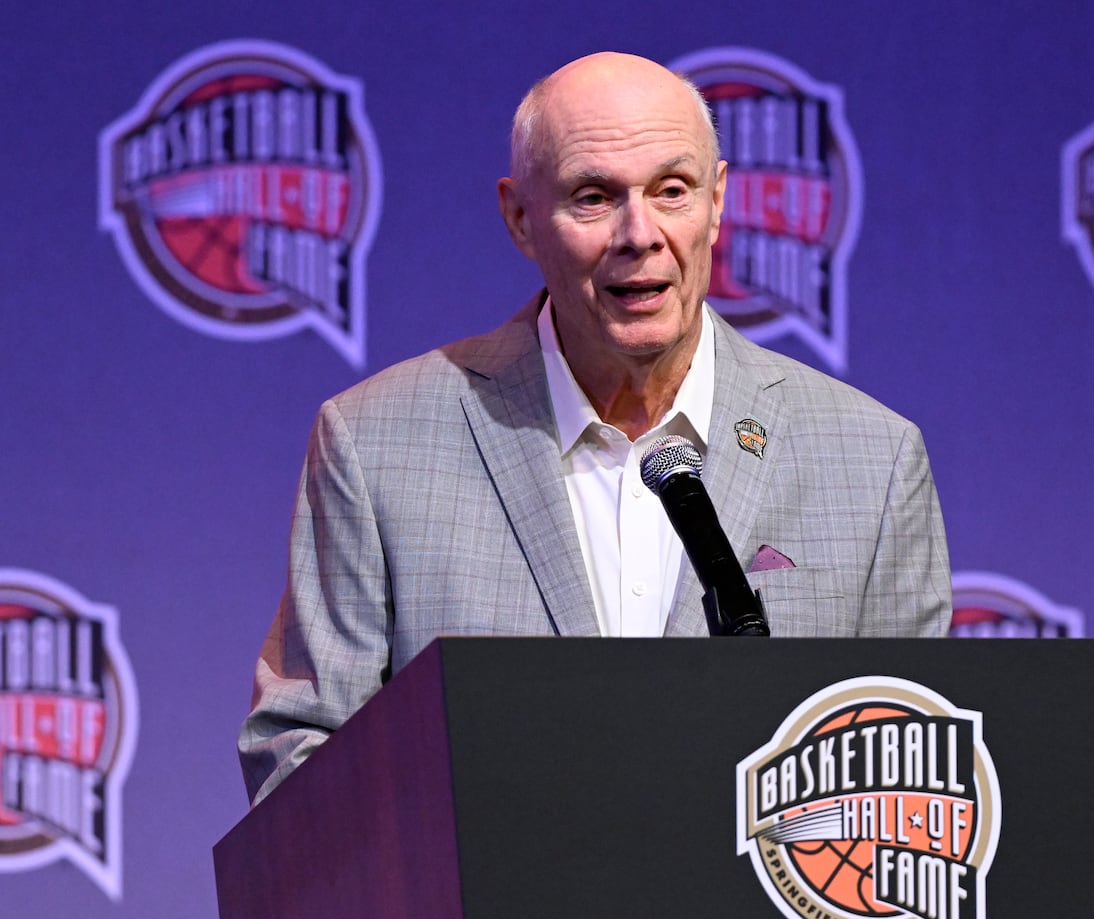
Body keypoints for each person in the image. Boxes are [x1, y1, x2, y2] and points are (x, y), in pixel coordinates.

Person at [239, 52, 950, 804]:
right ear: (519, 217)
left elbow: (910, 770)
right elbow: (299, 759)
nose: (638, 233)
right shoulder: (377, 443)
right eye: (593, 197)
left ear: (717, 201)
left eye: (671, 190)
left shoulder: (870, 461)